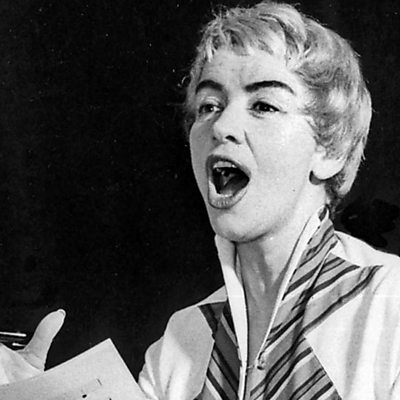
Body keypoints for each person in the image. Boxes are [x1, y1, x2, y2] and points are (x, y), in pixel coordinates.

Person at [1, 1, 400, 399]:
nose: (221, 125)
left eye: (264, 105)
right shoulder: (181, 341)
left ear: (330, 150)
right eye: (209, 106)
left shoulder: (389, 304)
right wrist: (34, 395)